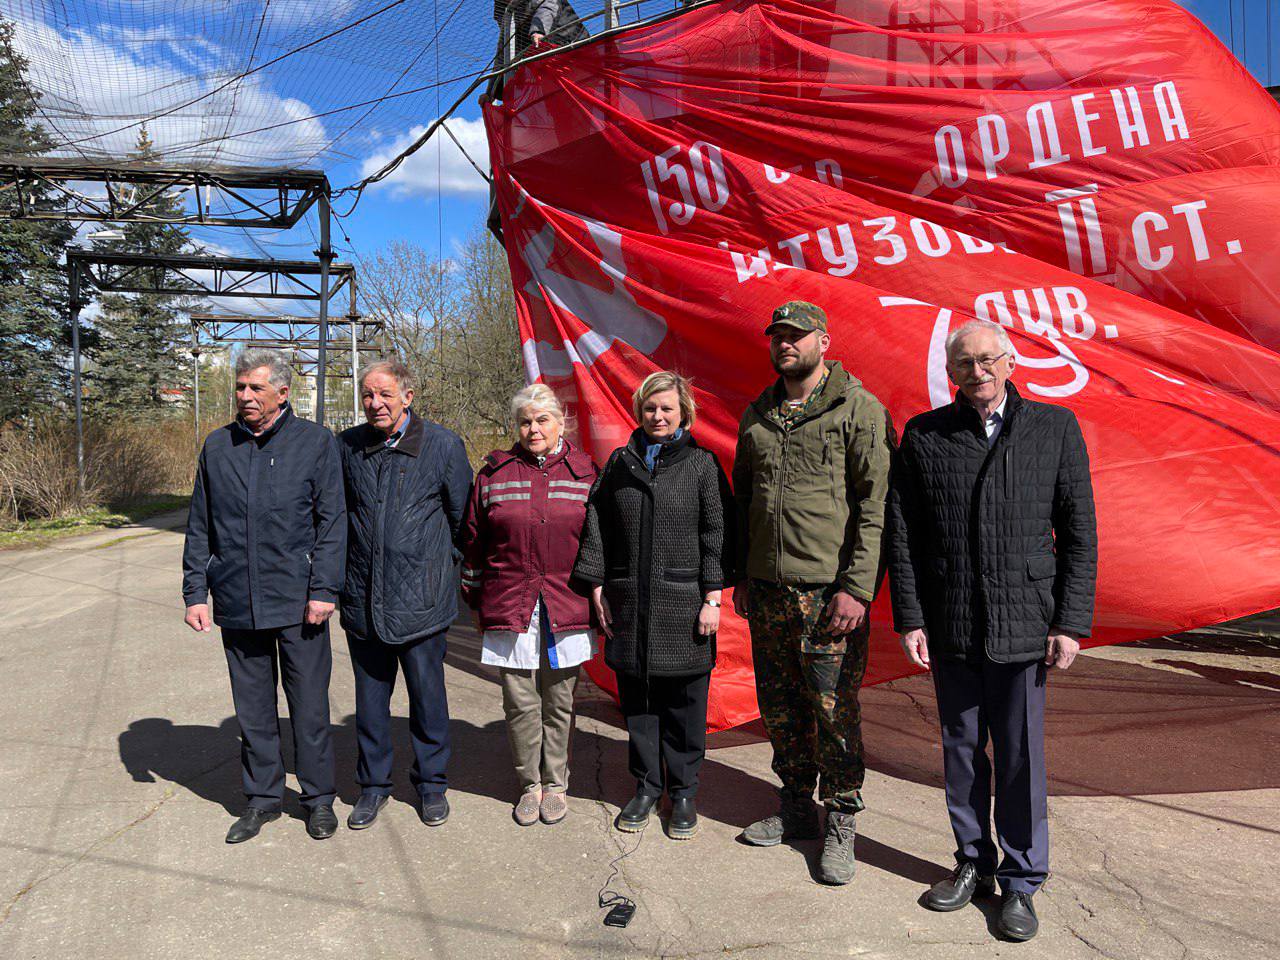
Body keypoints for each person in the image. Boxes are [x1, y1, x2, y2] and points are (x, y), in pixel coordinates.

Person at [888, 319, 1097, 942]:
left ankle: (1023, 881)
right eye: (962, 364)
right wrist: (912, 617)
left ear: (1010, 362)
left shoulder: (1054, 428)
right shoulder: (925, 435)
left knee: (1020, 757)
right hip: (952, 622)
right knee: (960, 754)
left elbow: (1080, 534)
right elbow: (904, 536)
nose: (975, 373)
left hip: (1025, 623)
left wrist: (1069, 622)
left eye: (986, 361)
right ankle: (972, 864)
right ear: (949, 372)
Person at [731, 301, 894, 885]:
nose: (785, 345)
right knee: (781, 705)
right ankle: (797, 804)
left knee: (833, 710)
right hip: (770, 593)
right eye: (777, 336)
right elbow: (744, 503)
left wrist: (857, 588)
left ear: (823, 340)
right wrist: (745, 574)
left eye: (797, 336)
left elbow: (875, 508)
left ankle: (843, 817)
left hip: (830, 596)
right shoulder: (758, 416)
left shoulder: (858, 409)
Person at [182, 348, 346, 844]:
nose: (245, 396)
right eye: (240, 387)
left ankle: (318, 799)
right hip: (237, 600)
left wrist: (323, 589)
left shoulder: (315, 443)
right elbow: (199, 526)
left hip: (300, 604)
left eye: (255, 387)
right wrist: (196, 591)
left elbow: (332, 524)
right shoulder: (217, 447)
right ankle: (263, 799)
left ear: (282, 392)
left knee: (310, 708)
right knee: (253, 710)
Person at [573, 371, 733, 840]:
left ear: (684, 412)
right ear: (639, 412)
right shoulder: (620, 464)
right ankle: (645, 787)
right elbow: (597, 524)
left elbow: (717, 533)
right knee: (639, 704)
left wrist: (712, 597)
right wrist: (598, 583)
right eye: (649, 408)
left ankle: (683, 792)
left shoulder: (702, 465)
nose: (658, 416)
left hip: (685, 605)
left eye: (666, 408)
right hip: (630, 604)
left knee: (684, 704)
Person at [337, 360, 473, 831]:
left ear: (408, 397)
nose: (374, 404)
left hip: (423, 603)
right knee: (370, 706)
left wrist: (435, 570)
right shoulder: (349, 446)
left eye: (385, 395)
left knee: (427, 700)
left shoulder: (442, 446)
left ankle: (432, 785)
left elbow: (464, 522)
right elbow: (337, 517)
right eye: (368, 395)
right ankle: (373, 788)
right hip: (363, 599)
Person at [458, 384, 597, 826]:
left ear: (561, 422)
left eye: (542, 419)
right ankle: (528, 784)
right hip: (509, 601)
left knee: (559, 700)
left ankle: (556, 782)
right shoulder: (494, 475)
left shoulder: (586, 474)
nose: (533, 428)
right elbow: (473, 543)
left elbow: (599, 543)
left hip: (565, 602)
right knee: (519, 701)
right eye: (525, 421)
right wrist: (476, 600)